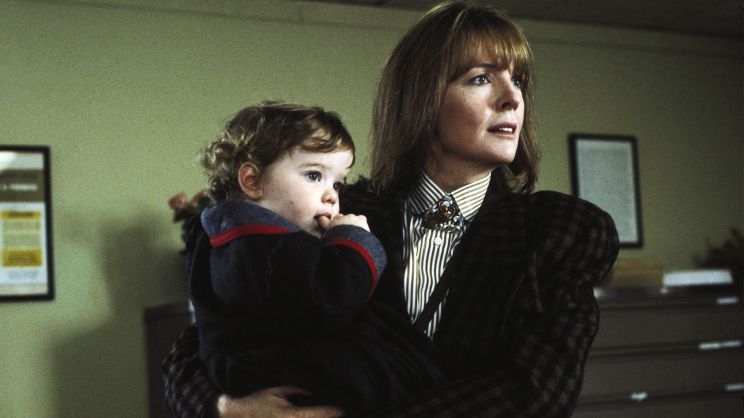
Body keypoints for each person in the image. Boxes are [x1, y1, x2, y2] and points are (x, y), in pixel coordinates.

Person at [163, 2, 619, 417]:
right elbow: (206, 338)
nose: (512, 98)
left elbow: (536, 393)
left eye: (517, 80)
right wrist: (226, 407)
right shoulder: (333, 211)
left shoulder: (559, 232)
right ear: (420, 97)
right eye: (481, 78)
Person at [185, 102, 453, 416]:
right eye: (314, 175)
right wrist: (354, 240)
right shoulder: (266, 247)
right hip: (281, 376)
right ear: (252, 181)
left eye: (337, 183)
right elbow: (333, 296)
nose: (332, 196)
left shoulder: (226, 239)